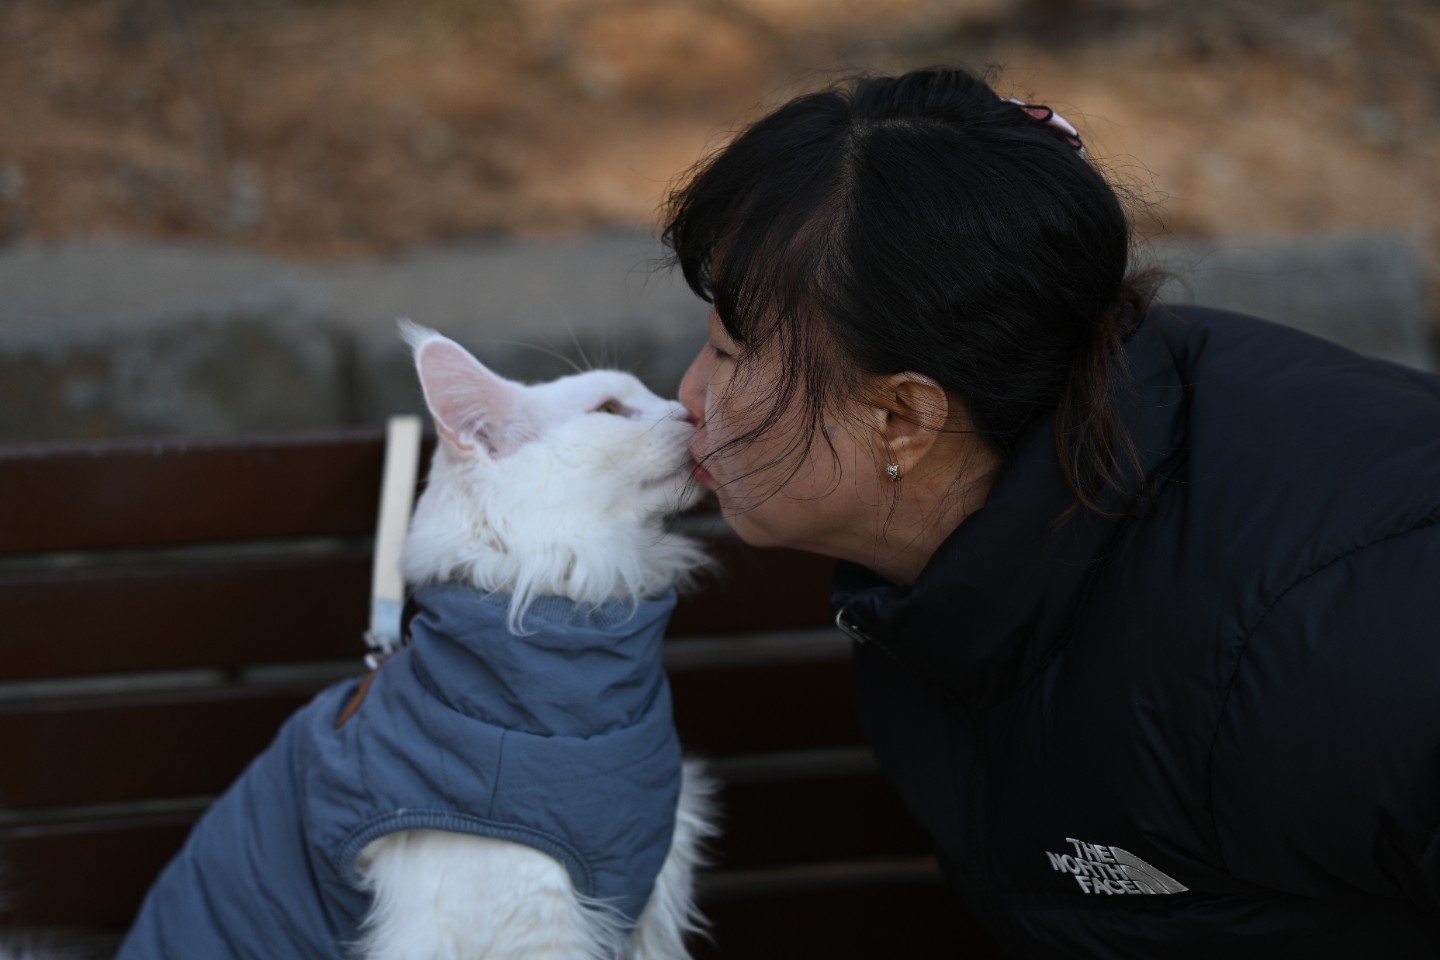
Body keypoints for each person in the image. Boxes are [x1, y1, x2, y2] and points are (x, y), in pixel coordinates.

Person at [666, 66, 1440, 958]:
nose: (687, 394)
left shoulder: (1326, 639)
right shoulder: (942, 571)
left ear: (904, 417)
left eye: (727, 353)